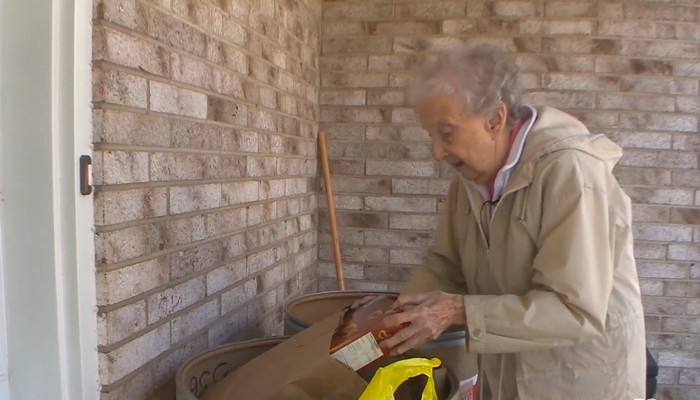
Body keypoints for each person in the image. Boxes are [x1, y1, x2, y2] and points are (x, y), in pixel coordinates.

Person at [375, 43, 647, 399]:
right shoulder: (470, 181)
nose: (437, 152)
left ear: (495, 119)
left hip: (575, 382)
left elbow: (574, 310)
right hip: (505, 374)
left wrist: (458, 311)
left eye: (446, 131)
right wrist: (400, 313)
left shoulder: (571, 173)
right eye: (431, 136)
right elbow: (446, 264)